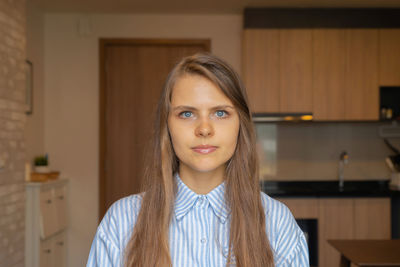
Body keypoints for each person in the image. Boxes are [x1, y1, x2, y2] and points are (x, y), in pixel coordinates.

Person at [86, 52, 309, 267]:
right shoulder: (121, 222)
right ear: (167, 126)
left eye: (220, 113)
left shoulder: (277, 222)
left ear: (240, 124)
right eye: (187, 113)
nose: (204, 129)